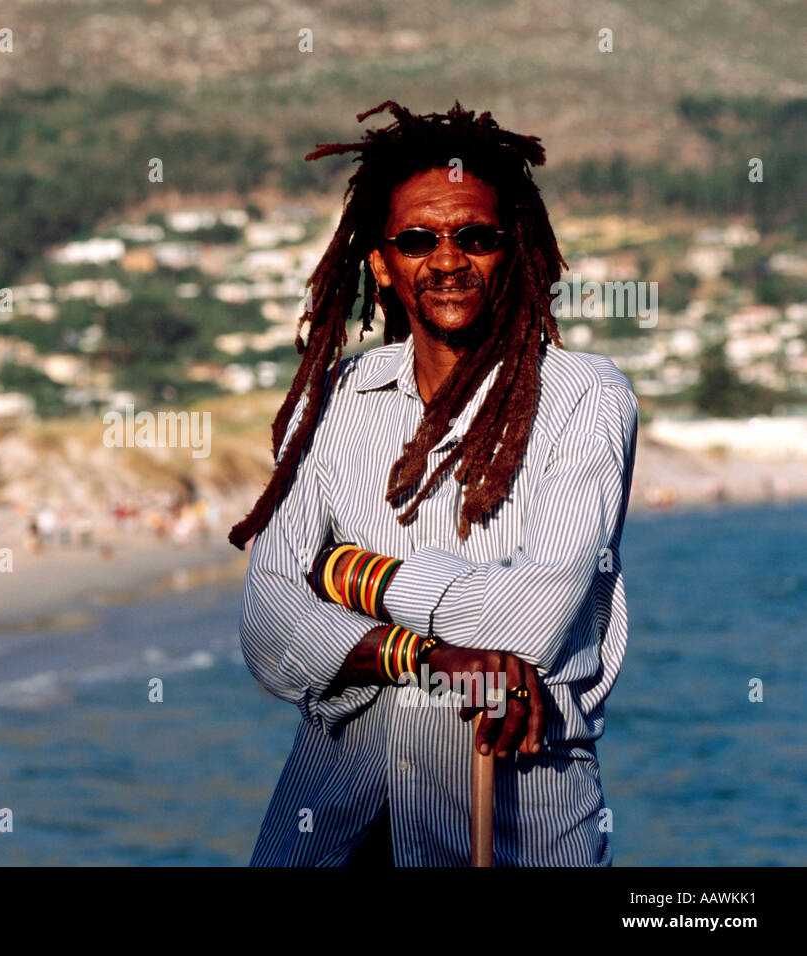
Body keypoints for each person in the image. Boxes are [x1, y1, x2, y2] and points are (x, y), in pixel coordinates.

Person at [232, 103, 638, 867]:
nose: (446, 260)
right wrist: (426, 656)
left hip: (512, 837)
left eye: (475, 237)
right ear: (382, 263)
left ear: (511, 250)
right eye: (418, 240)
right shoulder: (332, 402)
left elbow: (525, 623)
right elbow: (265, 623)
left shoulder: (585, 399)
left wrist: (351, 575)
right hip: (327, 832)